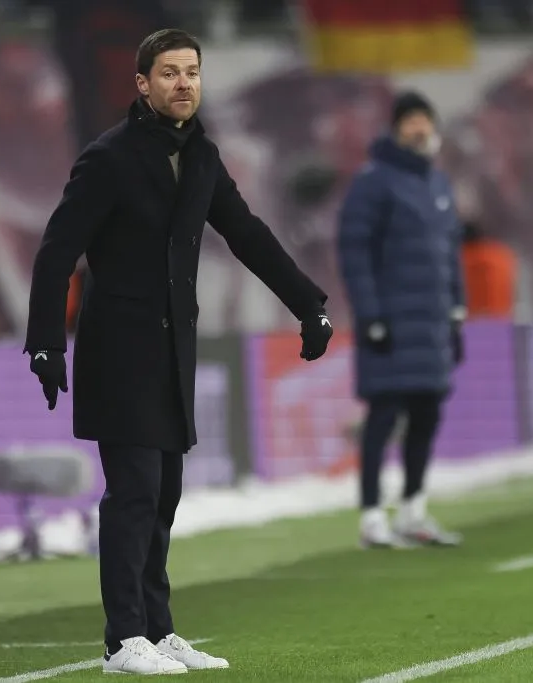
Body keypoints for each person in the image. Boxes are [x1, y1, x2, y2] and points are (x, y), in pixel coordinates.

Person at [25, 29, 333, 675]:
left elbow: (247, 234)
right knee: (133, 492)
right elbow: (57, 250)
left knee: (163, 495)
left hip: (173, 354)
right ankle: (123, 640)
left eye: (192, 71)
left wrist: (308, 303)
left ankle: (159, 632)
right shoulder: (107, 157)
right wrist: (47, 343)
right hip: (118, 352)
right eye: (169, 73)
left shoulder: (203, 157)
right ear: (142, 84)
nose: (184, 83)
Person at [337, 91, 466, 550]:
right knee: (383, 418)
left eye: (425, 121)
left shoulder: (438, 184)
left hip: (430, 325)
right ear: (395, 127)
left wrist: (457, 311)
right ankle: (372, 517)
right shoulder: (374, 181)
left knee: (428, 416)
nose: (419, 129)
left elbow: (451, 257)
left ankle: (413, 510)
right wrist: (370, 314)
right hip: (391, 324)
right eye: (411, 120)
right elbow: (354, 251)